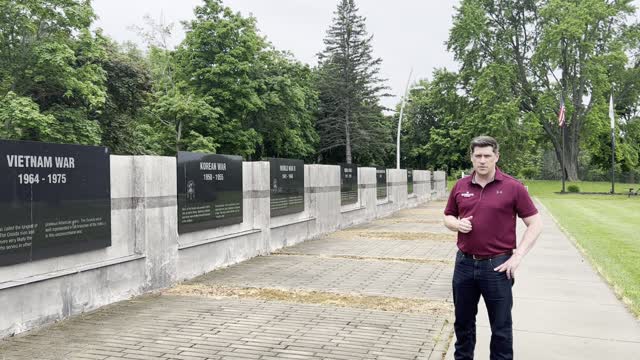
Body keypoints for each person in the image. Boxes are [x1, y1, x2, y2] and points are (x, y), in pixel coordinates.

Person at [443, 136, 543, 360]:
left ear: (496, 157)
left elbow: (535, 223)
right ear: (471, 157)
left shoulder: (513, 187)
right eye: (477, 156)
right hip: (464, 265)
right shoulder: (460, 186)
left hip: (497, 267)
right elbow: (447, 215)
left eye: (487, 155)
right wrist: (456, 224)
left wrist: (517, 257)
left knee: (501, 329)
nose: (482, 161)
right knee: (463, 325)